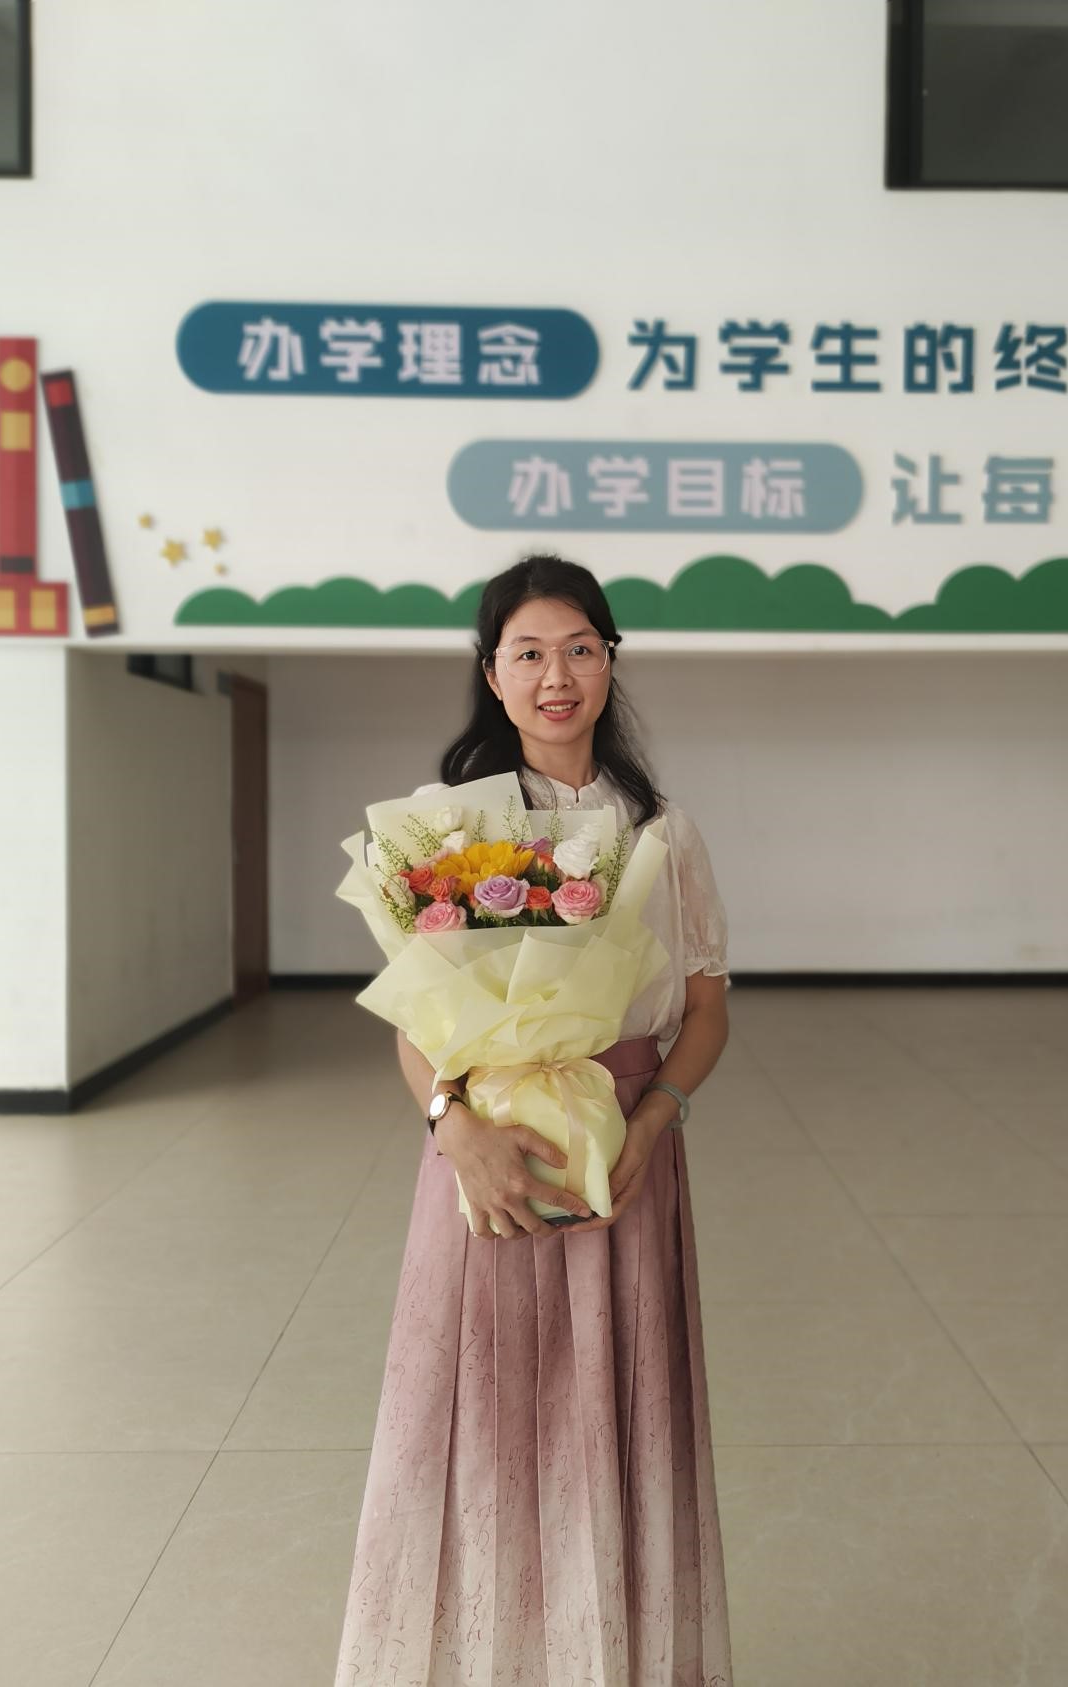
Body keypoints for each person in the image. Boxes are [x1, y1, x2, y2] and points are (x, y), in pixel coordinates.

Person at [333, 554, 734, 1686]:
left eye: (579, 650)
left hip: (624, 1148)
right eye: (528, 654)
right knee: (479, 1411)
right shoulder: (450, 827)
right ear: (492, 674)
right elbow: (419, 1015)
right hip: (483, 1150)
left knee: (619, 1412)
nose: (556, 677)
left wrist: (652, 1122)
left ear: (609, 662)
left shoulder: (659, 831)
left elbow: (706, 1010)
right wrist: (450, 1124)